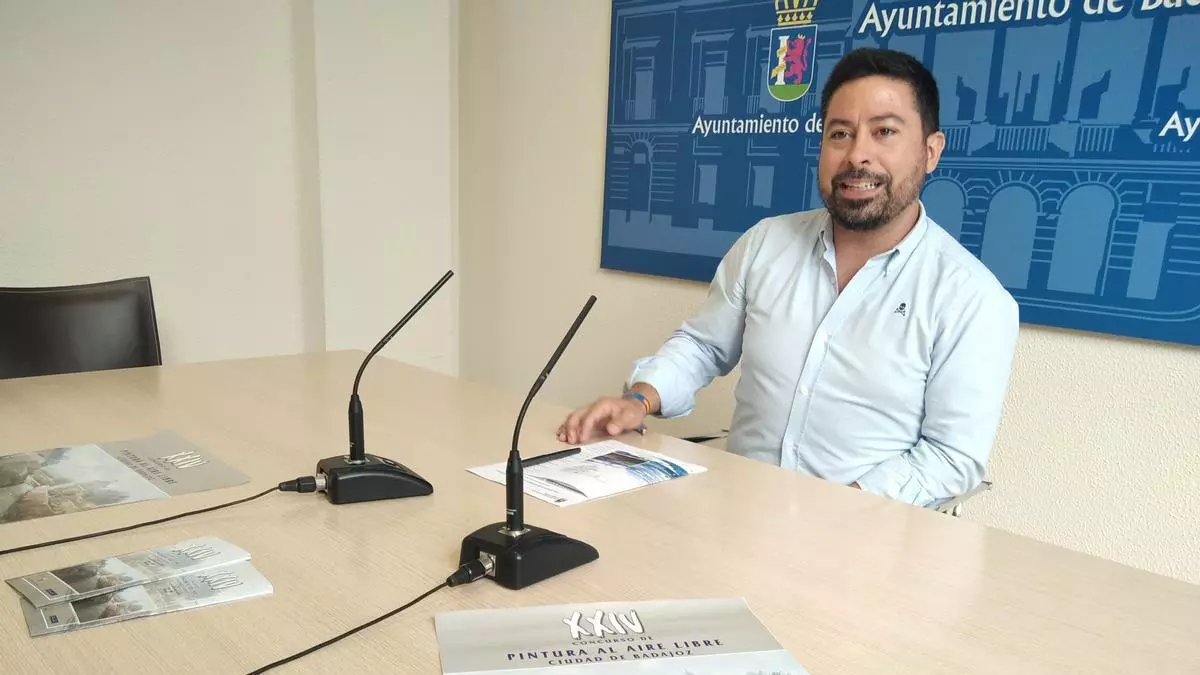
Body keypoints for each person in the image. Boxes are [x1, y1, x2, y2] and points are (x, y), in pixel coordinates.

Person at [558, 47, 1020, 508]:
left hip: (866, 536)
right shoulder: (766, 243)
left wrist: (837, 510)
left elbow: (951, 456)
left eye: (884, 132)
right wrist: (639, 401)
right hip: (737, 514)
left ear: (930, 151)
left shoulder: (972, 298)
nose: (857, 155)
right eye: (840, 133)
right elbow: (703, 346)